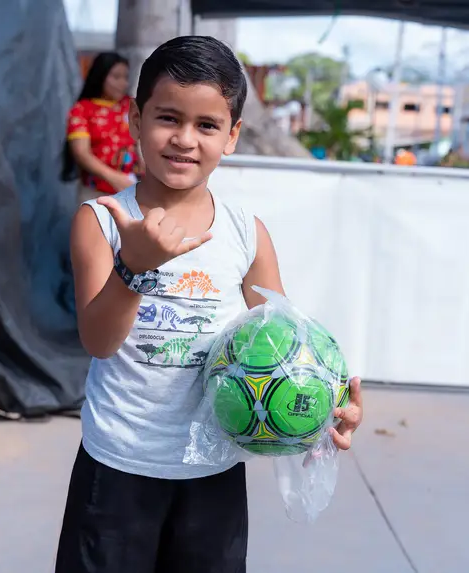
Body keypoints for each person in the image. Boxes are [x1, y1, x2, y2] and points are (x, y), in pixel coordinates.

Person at [55, 36, 365, 573]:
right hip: (118, 466)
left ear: (232, 135)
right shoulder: (102, 221)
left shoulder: (246, 233)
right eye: (167, 118)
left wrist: (326, 411)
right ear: (135, 120)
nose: (184, 139)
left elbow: (286, 348)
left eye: (206, 125)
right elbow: (99, 342)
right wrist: (133, 268)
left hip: (213, 473)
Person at [63, 52, 142, 204]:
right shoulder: (82, 110)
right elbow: (82, 153)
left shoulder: (131, 106)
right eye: (116, 77)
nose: (123, 83)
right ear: (100, 76)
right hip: (95, 193)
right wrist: (114, 178)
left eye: (126, 77)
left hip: (133, 189)